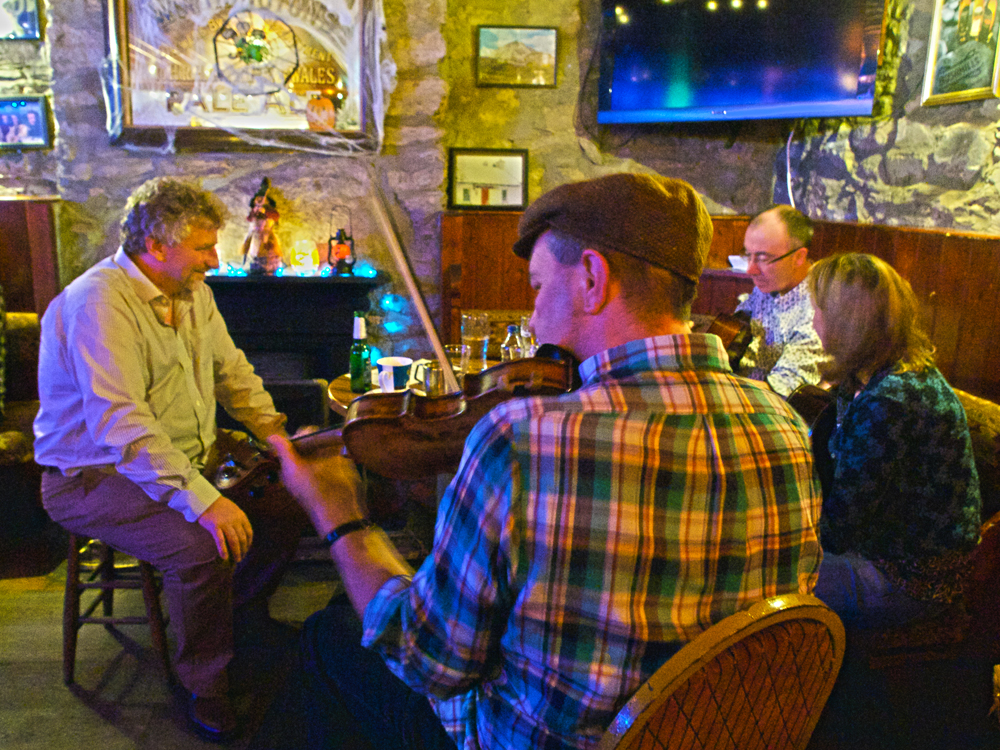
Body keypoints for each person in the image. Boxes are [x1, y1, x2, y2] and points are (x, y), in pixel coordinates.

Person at [267, 173, 823, 750]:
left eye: (537, 287)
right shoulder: (782, 424)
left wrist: (340, 513)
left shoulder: (524, 438)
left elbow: (429, 660)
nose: (533, 318)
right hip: (718, 736)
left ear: (590, 277)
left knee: (329, 635)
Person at [33, 178, 307, 742]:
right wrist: (205, 502)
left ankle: (239, 627)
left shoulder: (194, 292)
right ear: (157, 246)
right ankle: (205, 686)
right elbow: (121, 428)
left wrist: (277, 437)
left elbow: (233, 373)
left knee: (290, 502)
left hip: (183, 458)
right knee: (203, 546)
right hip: (91, 475)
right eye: (204, 247)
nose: (215, 258)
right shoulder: (99, 303)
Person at [806, 253, 981, 626]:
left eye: (819, 309)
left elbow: (839, 530)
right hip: (892, 557)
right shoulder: (873, 376)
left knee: (762, 580)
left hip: (911, 581)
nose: (813, 320)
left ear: (846, 320)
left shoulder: (890, 399)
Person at [734, 204, 825, 396]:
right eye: (748, 255)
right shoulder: (772, 283)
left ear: (798, 257)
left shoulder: (820, 308)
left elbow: (783, 392)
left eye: (762, 258)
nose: (751, 269)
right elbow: (735, 326)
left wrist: (717, 386)